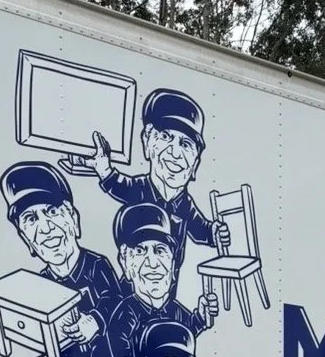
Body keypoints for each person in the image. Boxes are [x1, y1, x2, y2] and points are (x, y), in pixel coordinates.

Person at [0, 161, 127, 357]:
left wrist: (96, 320)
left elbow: (116, 301)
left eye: (52, 211)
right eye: (31, 218)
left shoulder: (96, 265)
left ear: (72, 216)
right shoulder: (41, 284)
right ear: (25, 238)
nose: (45, 228)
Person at [84, 203, 218, 357]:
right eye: (140, 251)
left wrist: (200, 319)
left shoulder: (174, 311)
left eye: (160, 250)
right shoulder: (123, 316)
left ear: (173, 263)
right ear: (125, 263)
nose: (152, 263)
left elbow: (186, 330)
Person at [86, 88, 229, 277]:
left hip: (168, 286)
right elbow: (120, 185)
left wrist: (214, 233)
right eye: (165, 137)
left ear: (196, 162)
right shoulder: (140, 189)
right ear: (147, 140)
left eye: (186, 144)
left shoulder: (184, 204)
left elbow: (200, 228)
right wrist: (104, 169)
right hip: (135, 288)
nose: (175, 153)